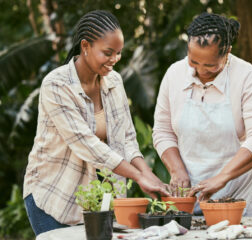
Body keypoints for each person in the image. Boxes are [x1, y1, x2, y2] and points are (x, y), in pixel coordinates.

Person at [23, 10, 169, 236]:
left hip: (98, 201)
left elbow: (127, 138)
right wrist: (138, 176)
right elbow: (87, 145)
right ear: (85, 46)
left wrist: (147, 173)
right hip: (54, 196)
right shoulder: (56, 85)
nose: (115, 60)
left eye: (119, 53)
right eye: (108, 53)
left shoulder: (114, 81)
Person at [153, 12, 252, 217]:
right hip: (193, 198)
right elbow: (163, 131)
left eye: (210, 65)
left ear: (227, 52)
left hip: (244, 194)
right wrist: (176, 169)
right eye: (193, 62)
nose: (200, 70)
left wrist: (222, 177)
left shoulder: (247, 76)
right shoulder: (174, 74)